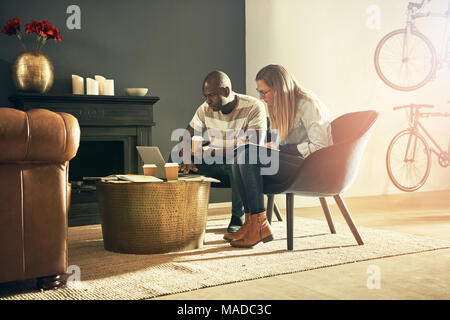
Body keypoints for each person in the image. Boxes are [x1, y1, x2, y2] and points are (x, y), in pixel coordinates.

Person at [225, 64, 333, 248]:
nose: (261, 97)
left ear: (280, 89)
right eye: (259, 92)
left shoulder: (308, 104)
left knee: (248, 154)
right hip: (295, 163)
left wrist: (283, 149)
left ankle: (259, 225)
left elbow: (321, 147)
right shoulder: (279, 107)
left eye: (264, 92)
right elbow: (284, 144)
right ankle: (252, 222)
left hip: (312, 168)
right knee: (240, 154)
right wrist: (269, 147)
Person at [170, 70, 268, 233]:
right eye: (205, 96)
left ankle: (239, 219)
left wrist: (212, 152)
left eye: (212, 95)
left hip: (243, 166)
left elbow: (254, 148)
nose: (208, 101)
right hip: (216, 164)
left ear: (226, 91)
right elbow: (186, 138)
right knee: (175, 157)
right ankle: (181, 217)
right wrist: (187, 156)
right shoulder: (205, 109)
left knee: (239, 159)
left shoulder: (253, 106)